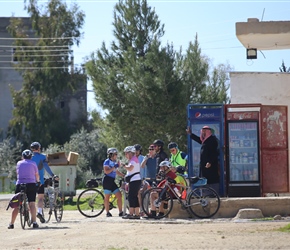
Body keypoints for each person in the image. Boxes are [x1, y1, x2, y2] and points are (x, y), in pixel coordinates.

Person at [8, 149, 40, 229]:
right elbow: (36, 174)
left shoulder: (19, 163)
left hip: (20, 184)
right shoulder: (33, 163)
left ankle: (11, 224)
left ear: (23, 156)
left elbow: (17, 173)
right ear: (30, 157)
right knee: (32, 203)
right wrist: (38, 182)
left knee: (17, 205)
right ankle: (35, 223)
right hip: (31, 184)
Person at [186, 126, 220, 194]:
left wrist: (210, 162)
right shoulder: (206, 140)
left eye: (205, 131)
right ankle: (205, 195)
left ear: (208, 132)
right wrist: (191, 134)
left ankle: (212, 195)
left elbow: (214, 153)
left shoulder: (212, 140)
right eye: (202, 131)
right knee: (204, 180)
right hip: (205, 165)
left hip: (210, 166)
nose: (203, 133)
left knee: (211, 180)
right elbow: (199, 140)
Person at [30, 141, 56, 223]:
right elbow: (46, 167)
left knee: (31, 199)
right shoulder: (43, 157)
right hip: (40, 181)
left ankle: (31, 216)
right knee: (40, 198)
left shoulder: (28, 157)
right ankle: (39, 212)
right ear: (39, 149)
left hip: (30, 181)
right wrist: (52, 175)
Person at [102, 148, 124, 217]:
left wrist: (124, 175)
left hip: (112, 181)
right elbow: (106, 171)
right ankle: (107, 212)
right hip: (107, 180)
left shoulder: (115, 162)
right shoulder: (107, 161)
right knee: (107, 197)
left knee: (119, 195)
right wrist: (114, 167)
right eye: (115, 154)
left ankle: (120, 212)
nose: (116, 156)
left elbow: (116, 172)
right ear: (111, 155)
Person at [122, 146, 142, 219]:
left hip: (134, 180)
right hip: (135, 180)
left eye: (126, 153)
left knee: (131, 197)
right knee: (134, 197)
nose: (125, 155)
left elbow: (130, 168)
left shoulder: (133, 160)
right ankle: (136, 214)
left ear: (130, 153)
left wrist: (124, 165)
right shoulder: (134, 159)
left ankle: (131, 213)